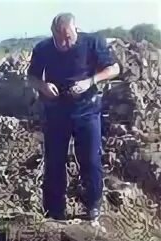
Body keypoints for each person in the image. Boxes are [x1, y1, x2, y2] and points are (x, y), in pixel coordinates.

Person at [27, 13, 120, 222]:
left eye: (67, 37)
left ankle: (93, 207)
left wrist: (90, 81)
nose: (64, 42)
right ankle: (54, 212)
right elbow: (31, 77)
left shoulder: (93, 42)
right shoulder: (43, 48)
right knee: (54, 162)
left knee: (90, 160)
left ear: (75, 29)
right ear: (52, 33)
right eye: (59, 38)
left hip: (87, 109)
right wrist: (43, 86)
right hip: (55, 112)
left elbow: (114, 68)